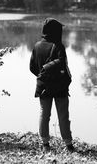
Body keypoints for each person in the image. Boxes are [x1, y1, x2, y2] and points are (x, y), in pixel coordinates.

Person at [29, 18, 74, 152]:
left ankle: (45, 144)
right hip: (59, 86)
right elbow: (62, 64)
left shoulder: (36, 46)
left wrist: (43, 75)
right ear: (55, 31)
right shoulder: (59, 46)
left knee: (44, 114)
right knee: (63, 115)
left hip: (43, 86)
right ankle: (68, 145)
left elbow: (32, 67)